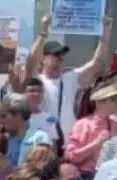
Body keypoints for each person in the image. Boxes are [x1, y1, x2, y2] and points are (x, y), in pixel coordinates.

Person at [24, 14, 111, 144]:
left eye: (62, 55)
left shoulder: (70, 78)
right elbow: (31, 61)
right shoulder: (37, 81)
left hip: (67, 144)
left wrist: (105, 34)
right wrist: (43, 32)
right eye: (56, 54)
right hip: (41, 145)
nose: (61, 58)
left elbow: (97, 64)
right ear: (43, 58)